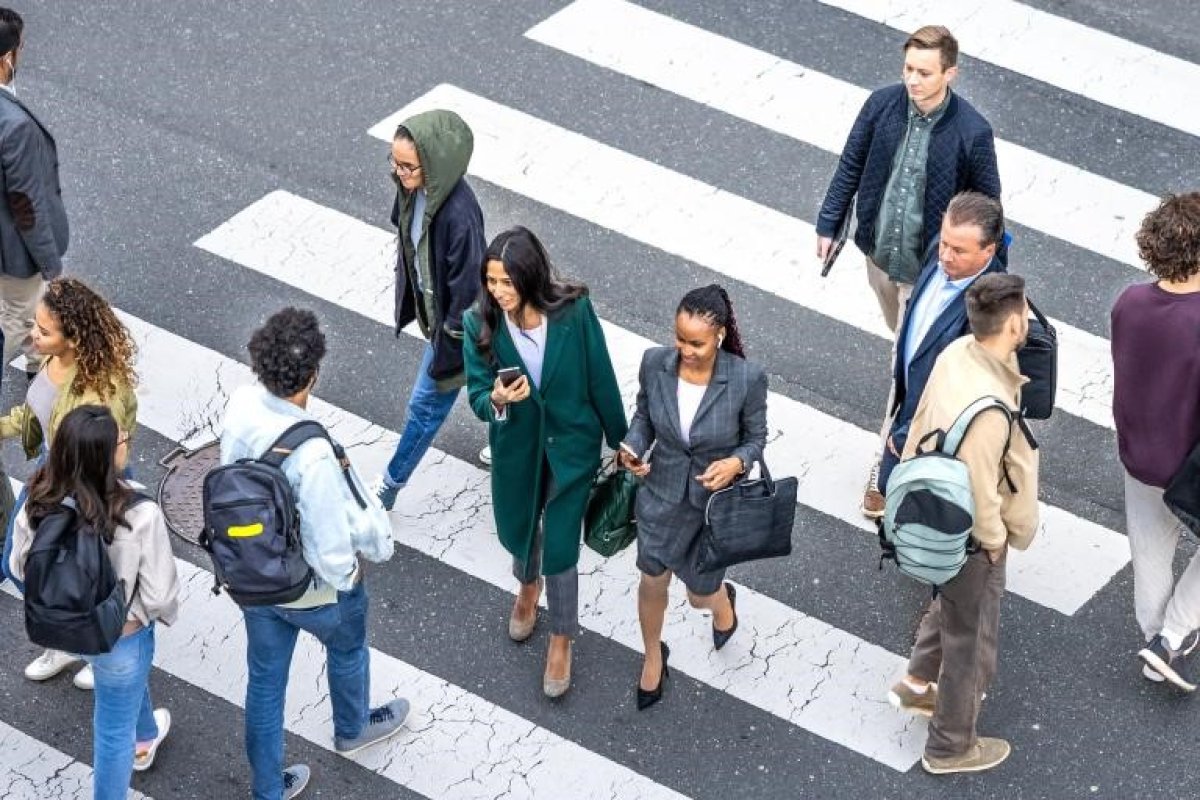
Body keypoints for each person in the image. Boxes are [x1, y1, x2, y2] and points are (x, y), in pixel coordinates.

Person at [220, 307, 408, 800]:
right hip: (310, 590)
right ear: (312, 375)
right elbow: (330, 551)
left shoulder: (240, 406)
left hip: (254, 577)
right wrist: (351, 577)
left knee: (264, 685)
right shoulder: (313, 454)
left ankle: (267, 788)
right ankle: (352, 729)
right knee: (347, 647)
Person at [462, 227, 626, 698]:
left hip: (572, 445)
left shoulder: (574, 311)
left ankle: (561, 636)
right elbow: (476, 394)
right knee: (522, 524)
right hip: (519, 447)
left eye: (507, 282)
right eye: (492, 281)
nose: (498, 291)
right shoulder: (479, 324)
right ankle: (527, 587)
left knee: (560, 544)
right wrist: (494, 396)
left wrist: (622, 440)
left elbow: (600, 376)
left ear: (530, 277)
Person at [886, 274, 1038, 775]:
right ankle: (950, 746)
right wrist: (996, 543)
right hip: (971, 534)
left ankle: (915, 683)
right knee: (971, 644)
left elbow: (920, 418)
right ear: (1013, 322)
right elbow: (983, 488)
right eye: (1026, 316)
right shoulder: (991, 407)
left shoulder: (956, 356)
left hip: (929, 512)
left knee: (948, 604)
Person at [8, 405, 178, 800]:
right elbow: (159, 595)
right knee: (113, 734)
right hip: (120, 635)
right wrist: (139, 620)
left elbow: (19, 563)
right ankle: (135, 752)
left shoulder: (40, 495)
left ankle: (147, 732)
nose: (127, 442)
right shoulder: (139, 512)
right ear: (108, 455)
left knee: (119, 697)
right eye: (122, 439)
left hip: (64, 626)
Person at [619, 285, 767, 710]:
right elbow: (644, 417)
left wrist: (736, 464)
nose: (684, 349)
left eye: (696, 343)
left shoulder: (745, 378)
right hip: (661, 496)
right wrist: (632, 448)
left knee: (699, 595)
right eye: (679, 339)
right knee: (652, 580)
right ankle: (652, 655)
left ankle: (722, 604)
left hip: (710, 508)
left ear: (719, 335)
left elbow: (755, 438)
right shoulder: (655, 364)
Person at [0, 276, 138, 691]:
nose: (33, 336)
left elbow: (116, 456)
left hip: (89, 487)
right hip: (51, 473)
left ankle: (97, 642)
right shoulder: (52, 361)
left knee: (94, 574)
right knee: (19, 560)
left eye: (43, 331)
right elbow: (35, 416)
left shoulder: (103, 389)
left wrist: (83, 498)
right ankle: (66, 633)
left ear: (74, 338)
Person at [815, 24, 1000, 334]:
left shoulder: (973, 131)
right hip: (879, 255)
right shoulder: (880, 105)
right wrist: (829, 222)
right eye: (908, 68)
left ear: (949, 74)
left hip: (929, 267)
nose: (912, 80)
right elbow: (851, 164)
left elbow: (988, 209)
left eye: (924, 73)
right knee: (897, 328)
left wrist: (990, 273)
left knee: (906, 349)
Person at [372, 110, 487, 510]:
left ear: (434, 163)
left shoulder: (459, 214)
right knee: (496, 388)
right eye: (395, 162)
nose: (399, 173)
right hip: (446, 321)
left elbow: (468, 291)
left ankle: (388, 488)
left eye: (407, 166)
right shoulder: (413, 190)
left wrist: (449, 343)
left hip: (460, 330)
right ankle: (512, 437)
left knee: (425, 407)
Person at [1112, 192, 1200, 692]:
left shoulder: (1130, 302)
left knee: (1150, 553)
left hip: (1140, 454)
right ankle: (1170, 636)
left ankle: (1155, 638)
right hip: (1188, 462)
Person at [871, 192, 1006, 508]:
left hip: (933, 436)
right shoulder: (938, 251)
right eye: (944, 243)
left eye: (959, 250)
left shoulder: (989, 309)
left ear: (990, 250)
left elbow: (962, 395)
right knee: (892, 500)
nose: (945, 255)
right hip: (908, 410)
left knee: (921, 525)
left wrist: (906, 435)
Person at [0, 7, 69, 374]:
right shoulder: (14, 126)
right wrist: (50, 264)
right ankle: (32, 358)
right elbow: (26, 205)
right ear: (8, 57)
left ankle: (36, 360)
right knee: (15, 318)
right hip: (11, 250)